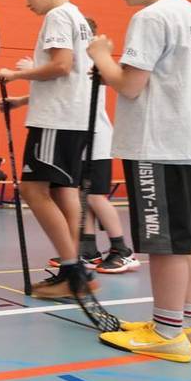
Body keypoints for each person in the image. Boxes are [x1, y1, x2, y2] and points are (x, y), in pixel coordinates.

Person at [88, 0, 191, 362]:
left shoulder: (153, 16)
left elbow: (130, 84)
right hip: (190, 145)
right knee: (188, 242)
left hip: (157, 145)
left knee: (165, 246)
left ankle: (166, 331)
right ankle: (189, 323)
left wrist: (102, 55)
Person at [0, 0, 99, 300]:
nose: (28, 2)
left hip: (55, 122)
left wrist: (18, 74)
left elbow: (60, 66)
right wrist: (22, 100)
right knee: (61, 191)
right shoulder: (78, 17)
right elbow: (69, 77)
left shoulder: (57, 16)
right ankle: (75, 271)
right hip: (74, 120)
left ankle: (72, 269)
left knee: (32, 190)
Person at [43, 18, 139, 275]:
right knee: (83, 196)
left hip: (96, 139)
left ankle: (122, 250)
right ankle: (88, 249)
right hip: (83, 138)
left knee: (96, 196)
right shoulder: (81, 62)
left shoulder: (89, 63)